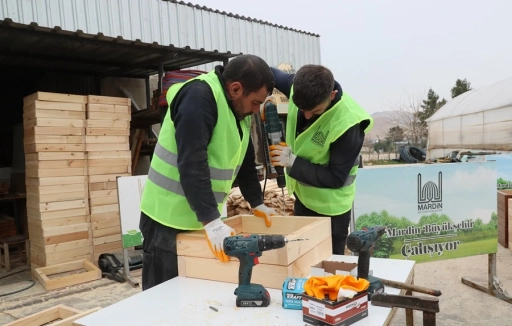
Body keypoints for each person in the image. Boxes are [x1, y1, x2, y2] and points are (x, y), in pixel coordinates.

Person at [139, 54, 278, 291]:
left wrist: (257, 202)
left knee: (192, 294)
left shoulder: (238, 110)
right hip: (166, 221)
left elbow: (244, 157)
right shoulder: (199, 97)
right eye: (255, 102)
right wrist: (213, 222)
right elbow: (193, 163)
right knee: (162, 299)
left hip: (198, 218)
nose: (257, 110)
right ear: (236, 89)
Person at [268, 64, 374, 255]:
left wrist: (292, 162)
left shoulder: (348, 124)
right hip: (304, 198)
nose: (307, 115)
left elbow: (335, 178)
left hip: (332, 209)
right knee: (302, 257)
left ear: (332, 95)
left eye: (315, 111)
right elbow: (267, 71)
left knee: (328, 267)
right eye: (302, 109)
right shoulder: (298, 87)